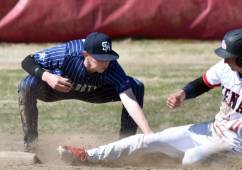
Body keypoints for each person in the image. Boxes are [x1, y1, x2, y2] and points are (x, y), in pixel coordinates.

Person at [58, 28, 242, 165]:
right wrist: (183, 94)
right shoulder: (226, 67)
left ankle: (166, 156)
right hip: (209, 131)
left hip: (236, 148)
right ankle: (88, 156)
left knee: (191, 159)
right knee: (148, 139)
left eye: (230, 56)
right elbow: (202, 83)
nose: (225, 59)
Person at [18, 32, 153, 152]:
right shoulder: (67, 53)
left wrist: (148, 133)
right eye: (100, 58)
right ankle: (32, 146)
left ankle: (126, 146)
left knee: (136, 86)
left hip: (95, 92)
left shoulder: (112, 66)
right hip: (59, 89)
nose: (105, 63)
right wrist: (47, 76)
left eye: (107, 58)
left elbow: (129, 100)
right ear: (85, 55)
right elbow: (27, 61)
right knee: (26, 84)